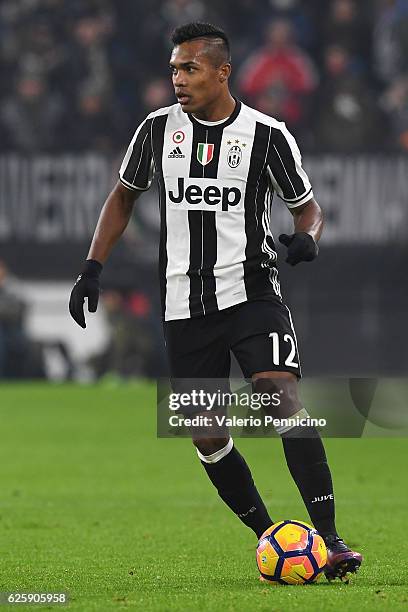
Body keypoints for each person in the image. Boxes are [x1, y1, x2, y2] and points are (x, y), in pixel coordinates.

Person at [69, 22, 362, 582]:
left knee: (280, 398)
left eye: (190, 69)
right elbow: (123, 196)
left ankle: (329, 538)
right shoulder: (156, 131)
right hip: (184, 304)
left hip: (253, 293)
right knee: (206, 431)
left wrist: (308, 240)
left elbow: (307, 208)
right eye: (174, 69)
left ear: (222, 71)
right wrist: (91, 268)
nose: (177, 79)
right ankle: (273, 539)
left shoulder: (267, 136)